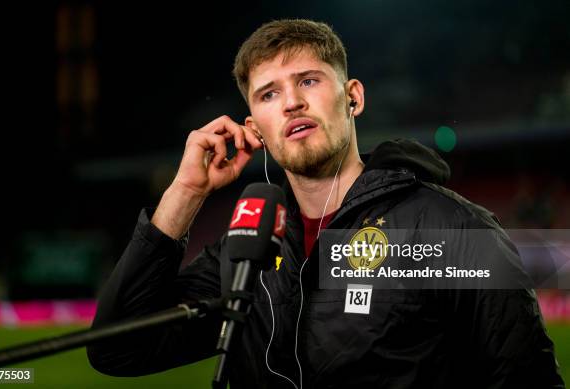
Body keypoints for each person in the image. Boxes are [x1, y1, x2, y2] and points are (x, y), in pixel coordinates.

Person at [86, 19, 565, 388]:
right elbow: (117, 350)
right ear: (255, 128)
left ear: (352, 97)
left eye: (309, 81)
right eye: (269, 94)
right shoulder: (245, 253)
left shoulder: (452, 229)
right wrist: (185, 193)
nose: (291, 102)